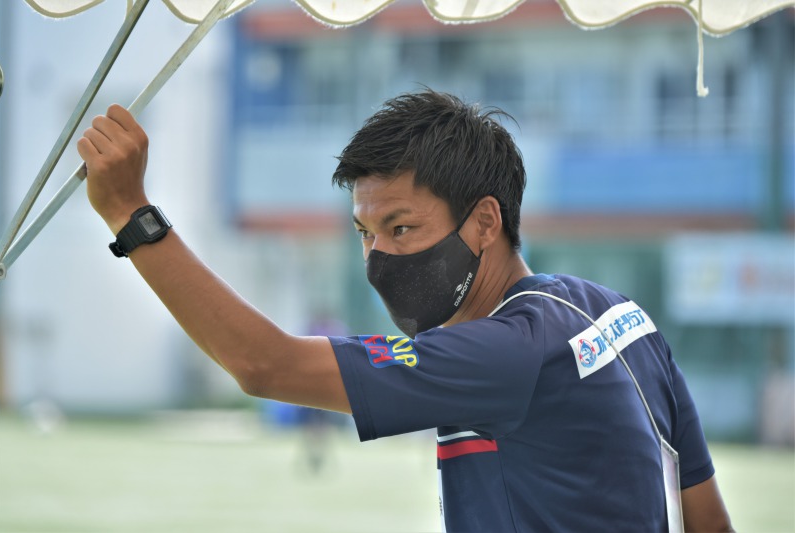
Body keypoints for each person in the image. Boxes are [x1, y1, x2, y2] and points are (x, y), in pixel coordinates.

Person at [77, 89, 733, 531]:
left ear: (485, 222)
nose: (379, 257)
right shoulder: (619, 315)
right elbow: (705, 514)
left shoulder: (505, 352)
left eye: (401, 228)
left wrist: (132, 214)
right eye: (365, 233)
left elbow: (266, 364)